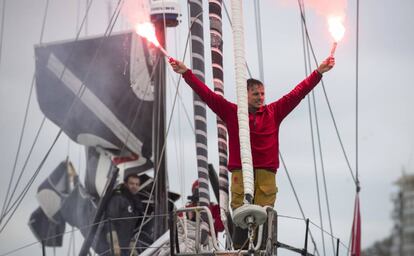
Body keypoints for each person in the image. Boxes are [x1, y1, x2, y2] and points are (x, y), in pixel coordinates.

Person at [170, 55, 335, 247]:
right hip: (241, 173)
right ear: (245, 94)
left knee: (265, 219)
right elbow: (208, 95)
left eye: (263, 94)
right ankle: (239, 250)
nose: (261, 98)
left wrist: (318, 73)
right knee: (241, 216)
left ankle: (264, 249)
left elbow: (298, 93)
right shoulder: (232, 112)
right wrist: (186, 74)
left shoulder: (274, 112)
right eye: (256, 94)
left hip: (266, 175)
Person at [106, 173, 144, 256]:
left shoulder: (136, 203)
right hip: (114, 248)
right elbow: (110, 221)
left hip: (126, 247)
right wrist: (114, 244)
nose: (134, 186)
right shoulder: (118, 199)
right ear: (125, 184)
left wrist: (132, 244)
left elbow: (133, 227)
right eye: (131, 183)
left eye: (137, 184)